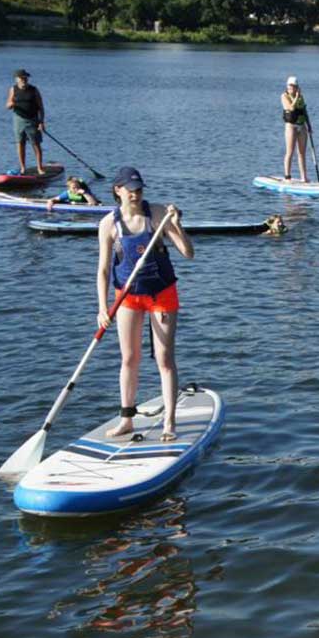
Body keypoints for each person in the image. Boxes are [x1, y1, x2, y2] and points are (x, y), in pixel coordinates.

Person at [95, 167, 193, 442]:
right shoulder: (108, 224)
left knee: (164, 359)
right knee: (129, 358)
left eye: (139, 190)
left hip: (161, 293)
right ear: (118, 190)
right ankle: (127, 419)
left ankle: (169, 422)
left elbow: (188, 253)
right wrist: (102, 308)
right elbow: (103, 270)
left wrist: (177, 224)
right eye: (130, 190)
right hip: (127, 296)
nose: (136, 194)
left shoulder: (159, 214)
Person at [6, 68, 45, 175]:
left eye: (25, 77)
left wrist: (41, 122)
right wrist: (11, 104)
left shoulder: (34, 90)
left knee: (35, 144)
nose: (24, 79)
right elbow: (7, 105)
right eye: (21, 78)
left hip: (32, 119)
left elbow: (41, 107)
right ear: (16, 79)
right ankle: (23, 168)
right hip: (18, 120)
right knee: (20, 143)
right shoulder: (13, 89)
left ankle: (40, 168)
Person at [281, 76, 311, 181]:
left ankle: (304, 177)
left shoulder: (301, 97)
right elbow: (291, 108)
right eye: (290, 85)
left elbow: (304, 111)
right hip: (291, 127)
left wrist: (309, 126)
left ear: (297, 86)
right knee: (290, 152)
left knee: (302, 153)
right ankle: (287, 177)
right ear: (287, 86)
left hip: (301, 126)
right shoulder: (284, 96)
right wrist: (296, 97)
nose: (292, 88)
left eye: (294, 86)